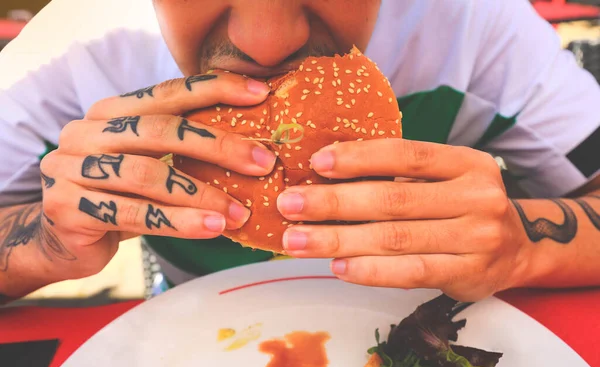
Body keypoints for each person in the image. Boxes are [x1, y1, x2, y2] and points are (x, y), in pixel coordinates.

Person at [0, 0, 598, 304]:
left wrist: (522, 244)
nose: (266, 42)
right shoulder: (62, 60)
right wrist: (42, 244)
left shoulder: (476, 25)